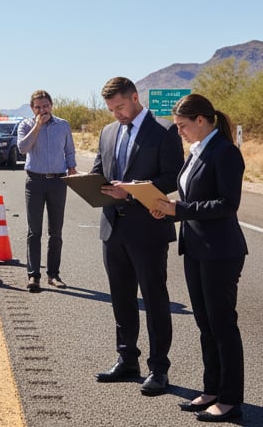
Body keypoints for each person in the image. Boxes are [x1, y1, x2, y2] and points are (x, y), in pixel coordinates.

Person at [151, 94, 247, 423]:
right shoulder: (196, 152)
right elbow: (191, 198)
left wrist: (180, 209)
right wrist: (166, 210)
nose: (179, 132)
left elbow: (227, 204)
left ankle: (231, 399)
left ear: (202, 121)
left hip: (221, 251)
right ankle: (212, 390)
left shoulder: (226, 152)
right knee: (206, 325)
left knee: (222, 326)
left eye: (182, 126)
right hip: (194, 248)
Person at [91, 76, 183, 396]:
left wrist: (128, 192)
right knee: (121, 298)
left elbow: (174, 175)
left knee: (155, 300)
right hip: (112, 228)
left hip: (148, 228)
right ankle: (127, 359)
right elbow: (98, 169)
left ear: (134, 97)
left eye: (120, 107)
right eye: (111, 109)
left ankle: (159, 369)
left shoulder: (164, 132)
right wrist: (90, 184)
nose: (116, 114)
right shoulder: (107, 131)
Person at [17, 90, 78, 292]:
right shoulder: (26, 125)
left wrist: (72, 168)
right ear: (32, 108)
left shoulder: (63, 125)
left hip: (58, 182)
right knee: (34, 231)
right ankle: (34, 275)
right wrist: (37, 126)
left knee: (56, 231)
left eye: (45, 106)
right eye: (38, 107)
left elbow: (69, 149)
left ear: (51, 105)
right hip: (35, 181)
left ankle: (54, 274)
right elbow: (23, 148)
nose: (42, 110)